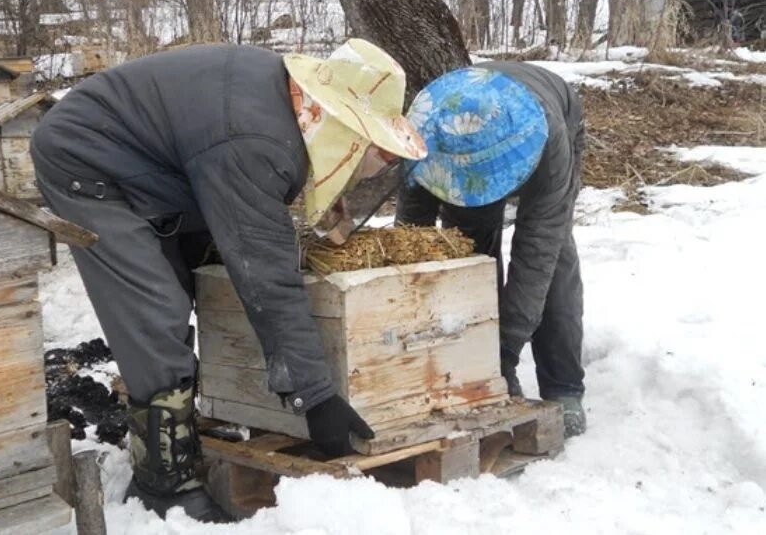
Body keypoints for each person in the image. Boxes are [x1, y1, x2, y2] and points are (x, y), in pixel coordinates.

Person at [30, 39, 426, 521]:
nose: (377, 163)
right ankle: (164, 483)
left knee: (207, 280)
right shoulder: (257, 141)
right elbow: (267, 273)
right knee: (156, 309)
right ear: (341, 123)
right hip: (87, 161)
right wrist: (316, 397)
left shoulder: (280, 113)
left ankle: (200, 416)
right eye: (376, 149)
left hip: (164, 164)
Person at [395, 62, 586, 438]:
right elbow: (411, 233)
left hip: (553, 118)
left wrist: (508, 346)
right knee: (467, 252)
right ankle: (477, 370)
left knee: (555, 255)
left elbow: (537, 250)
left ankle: (563, 385)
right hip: (459, 142)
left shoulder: (548, 142)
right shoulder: (422, 132)